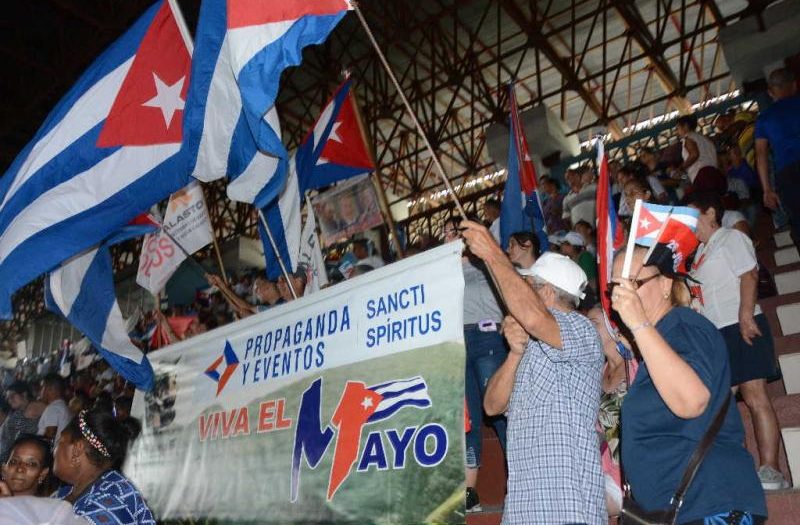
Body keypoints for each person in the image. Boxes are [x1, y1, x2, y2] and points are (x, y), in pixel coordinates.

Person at [461, 218, 605, 524]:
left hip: (568, 507)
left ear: (548, 294)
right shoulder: (530, 344)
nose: (522, 292)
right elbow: (492, 406)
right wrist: (514, 354)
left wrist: (493, 255)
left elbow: (534, 317)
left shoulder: (581, 330)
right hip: (523, 508)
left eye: (529, 286)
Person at [610, 247, 766, 524]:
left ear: (666, 284)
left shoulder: (685, 326)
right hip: (670, 510)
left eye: (632, 282)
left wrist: (639, 325)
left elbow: (692, 401)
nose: (621, 295)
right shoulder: (656, 343)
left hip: (707, 503)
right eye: (616, 286)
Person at [687, 192, 787, 490]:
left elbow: (749, 274)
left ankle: (771, 469)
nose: (689, 224)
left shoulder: (730, 238)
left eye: (692, 215)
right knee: (720, 404)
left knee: (755, 396)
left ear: (710, 213)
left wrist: (746, 315)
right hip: (716, 334)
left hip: (740, 324)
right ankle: (736, 468)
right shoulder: (698, 253)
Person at [443, 217, 507, 513]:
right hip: (458, 343)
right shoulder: (440, 271)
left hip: (487, 337)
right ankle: (469, 491)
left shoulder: (487, 260)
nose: (449, 236)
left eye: (454, 230)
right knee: (467, 416)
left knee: (501, 411)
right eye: (444, 232)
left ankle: (518, 479)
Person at [53, 409, 155, 525]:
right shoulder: (67, 491)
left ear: (77, 450)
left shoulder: (110, 505)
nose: (54, 450)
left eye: (60, 441)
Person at [587, 307, 637, 518]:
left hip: (633, 469)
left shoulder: (635, 365)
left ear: (613, 327)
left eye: (594, 323)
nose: (588, 328)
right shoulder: (596, 373)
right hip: (605, 468)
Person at [755, 68, 800, 246]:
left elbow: (761, 154)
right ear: (794, 85)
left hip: (787, 175)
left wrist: (767, 189)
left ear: (770, 92)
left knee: (797, 221)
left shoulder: (764, 118)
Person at [676, 114, 726, 194]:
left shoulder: (688, 138)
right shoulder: (705, 139)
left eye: (678, 128)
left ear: (685, 126)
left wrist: (681, 168)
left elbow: (694, 154)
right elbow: (718, 160)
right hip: (716, 174)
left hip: (703, 175)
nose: (677, 131)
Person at [0, 382, 44, 464]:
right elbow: (7, 445)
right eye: (8, 398)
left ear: (24, 394)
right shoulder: (14, 417)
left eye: (12, 396)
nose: (10, 400)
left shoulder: (40, 408)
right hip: (10, 460)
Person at [38, 374, 71, 441]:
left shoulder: (53, 408)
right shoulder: (62, 406)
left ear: (51, 389)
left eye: (42, 387)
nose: (40, 391)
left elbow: (50, 434)